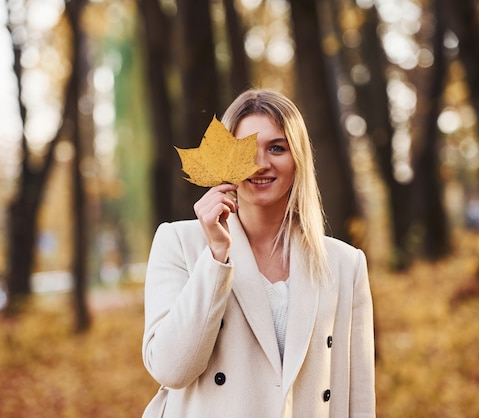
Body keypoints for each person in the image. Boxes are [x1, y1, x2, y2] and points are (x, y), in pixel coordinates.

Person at [141, 89, 375, 418]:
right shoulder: (179, 242)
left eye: (277, 147)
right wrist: (215, 258)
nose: (261, 163)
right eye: (246, 149)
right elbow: (170, 369)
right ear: (225, 159)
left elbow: (358, 395)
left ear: (298, 159)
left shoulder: (345, 264)